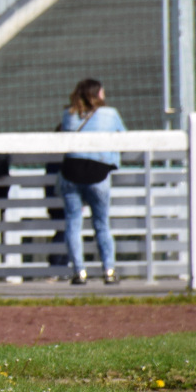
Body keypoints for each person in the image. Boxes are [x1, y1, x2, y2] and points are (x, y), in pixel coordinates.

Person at [58, 78, 126, 285]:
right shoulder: (110, 114)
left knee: (73, 223)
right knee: (102, 224)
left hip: (71, 172)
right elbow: (124, 137)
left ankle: (79, 271)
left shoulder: (68, 114)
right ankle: (109, 270)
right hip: (98, 172)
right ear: (98, 94)